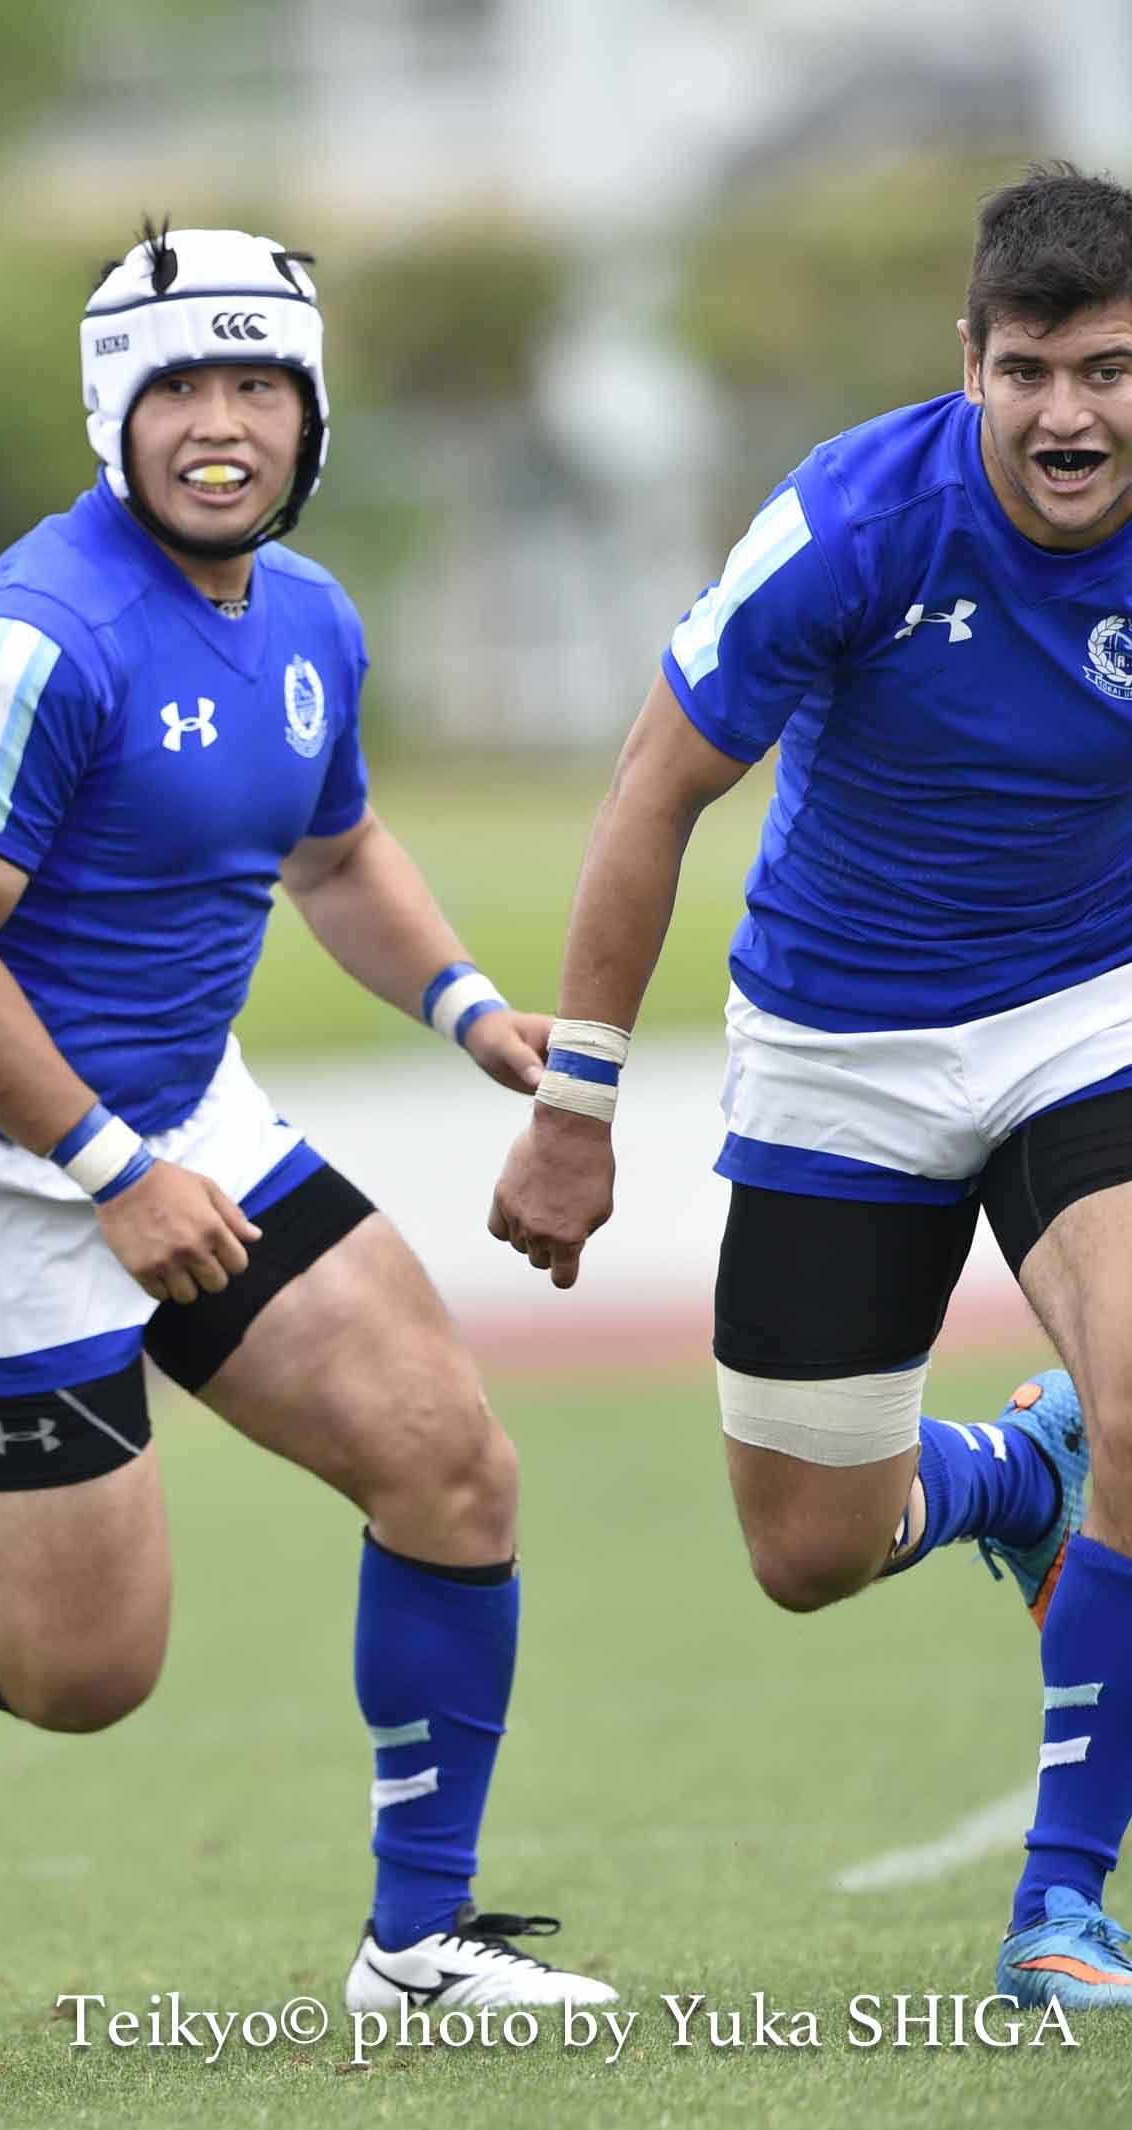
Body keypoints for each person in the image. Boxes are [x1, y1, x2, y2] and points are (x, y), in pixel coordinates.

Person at [0, 223, 623, 2011]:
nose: (221, 423)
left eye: (260, 384)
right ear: (116, 409)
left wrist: (470, 1010)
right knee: (86, 1674)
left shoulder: (309, 610)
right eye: (181, 385)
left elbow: (334, 854)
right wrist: (108, 1171)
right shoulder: (41, 633)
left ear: (309, 413)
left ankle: (416, 1948)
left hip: (200, 1125)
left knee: (452, 1468)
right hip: (8, 1182)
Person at [488, 162, 1132, 2009]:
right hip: (841, 1044)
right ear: (971, 364)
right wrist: (576, 1104)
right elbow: (652, 784)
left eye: (1108, 369)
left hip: (1092, 1009)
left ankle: (1062, 1904)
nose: (1067, 412)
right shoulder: (851, 518)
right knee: (807, 1551)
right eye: (1028, 371)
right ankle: (1019, 1476)